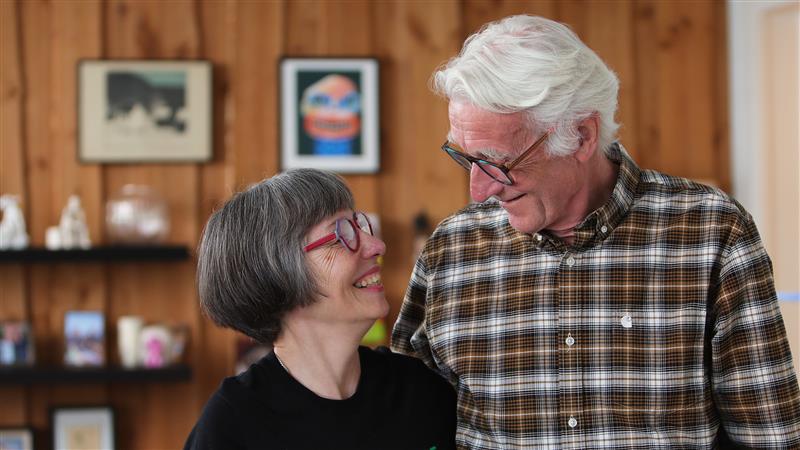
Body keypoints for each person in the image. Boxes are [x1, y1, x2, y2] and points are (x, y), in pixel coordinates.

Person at [391, 14, 800, 449]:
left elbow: (770, 437)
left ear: (582, 136)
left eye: (499, 163)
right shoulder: (452, 250)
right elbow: (402, 425)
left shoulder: (711, 231)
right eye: (467, 158)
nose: (479, 190)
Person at [185, 169, 456, 450]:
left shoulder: (420, 393)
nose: (377, 246)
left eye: (359, 226)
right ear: (277, 273)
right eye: (341, 235)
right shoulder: (233, 425)